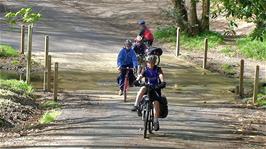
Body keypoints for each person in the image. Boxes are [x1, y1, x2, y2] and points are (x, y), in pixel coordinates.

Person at [132, 55, 166, 131]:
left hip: (155, 88)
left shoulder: (158, 69)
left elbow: (161, 75)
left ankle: (156, 121)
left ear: (154, 63)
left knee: (156, 103)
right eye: (148, 62)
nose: (149, 64)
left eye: (151, 62)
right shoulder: (145, 69)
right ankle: (136, 105)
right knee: (142, 89)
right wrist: (137, 80)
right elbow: (141, 75)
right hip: (147, 86)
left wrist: (162, 82)